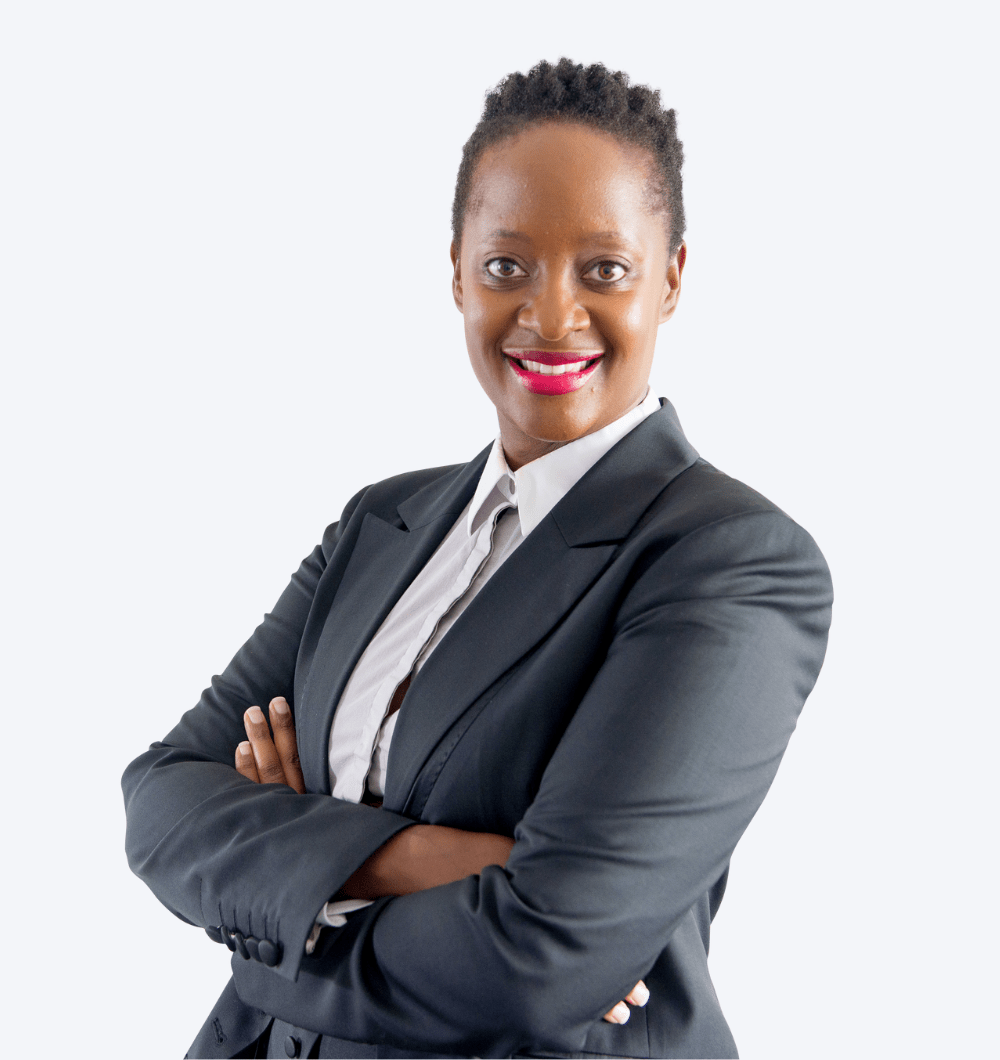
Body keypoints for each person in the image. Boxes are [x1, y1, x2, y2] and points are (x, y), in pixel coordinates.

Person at [123, 59, 833, 1059]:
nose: (551, 315)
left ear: (671, 278)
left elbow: (542, 957)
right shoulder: (381, 522)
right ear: (456, 271)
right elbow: (162, 800)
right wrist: (421, 858)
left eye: (604, 268)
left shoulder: (727, 560)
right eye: (507, 266)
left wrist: (277, 903)